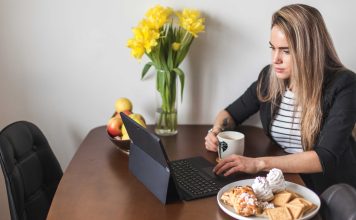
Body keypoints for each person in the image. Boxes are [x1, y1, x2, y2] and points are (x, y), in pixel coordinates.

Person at [205, 4, 356, 194]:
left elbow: (324, 158)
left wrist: (259, 164)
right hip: (287, 181)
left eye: (286, 51)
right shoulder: (269, 78)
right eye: (273, 48)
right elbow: (231, 113)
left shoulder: (344, 84)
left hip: (330, 190)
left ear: (309, 50)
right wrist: (217, 131)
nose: (275, 59)